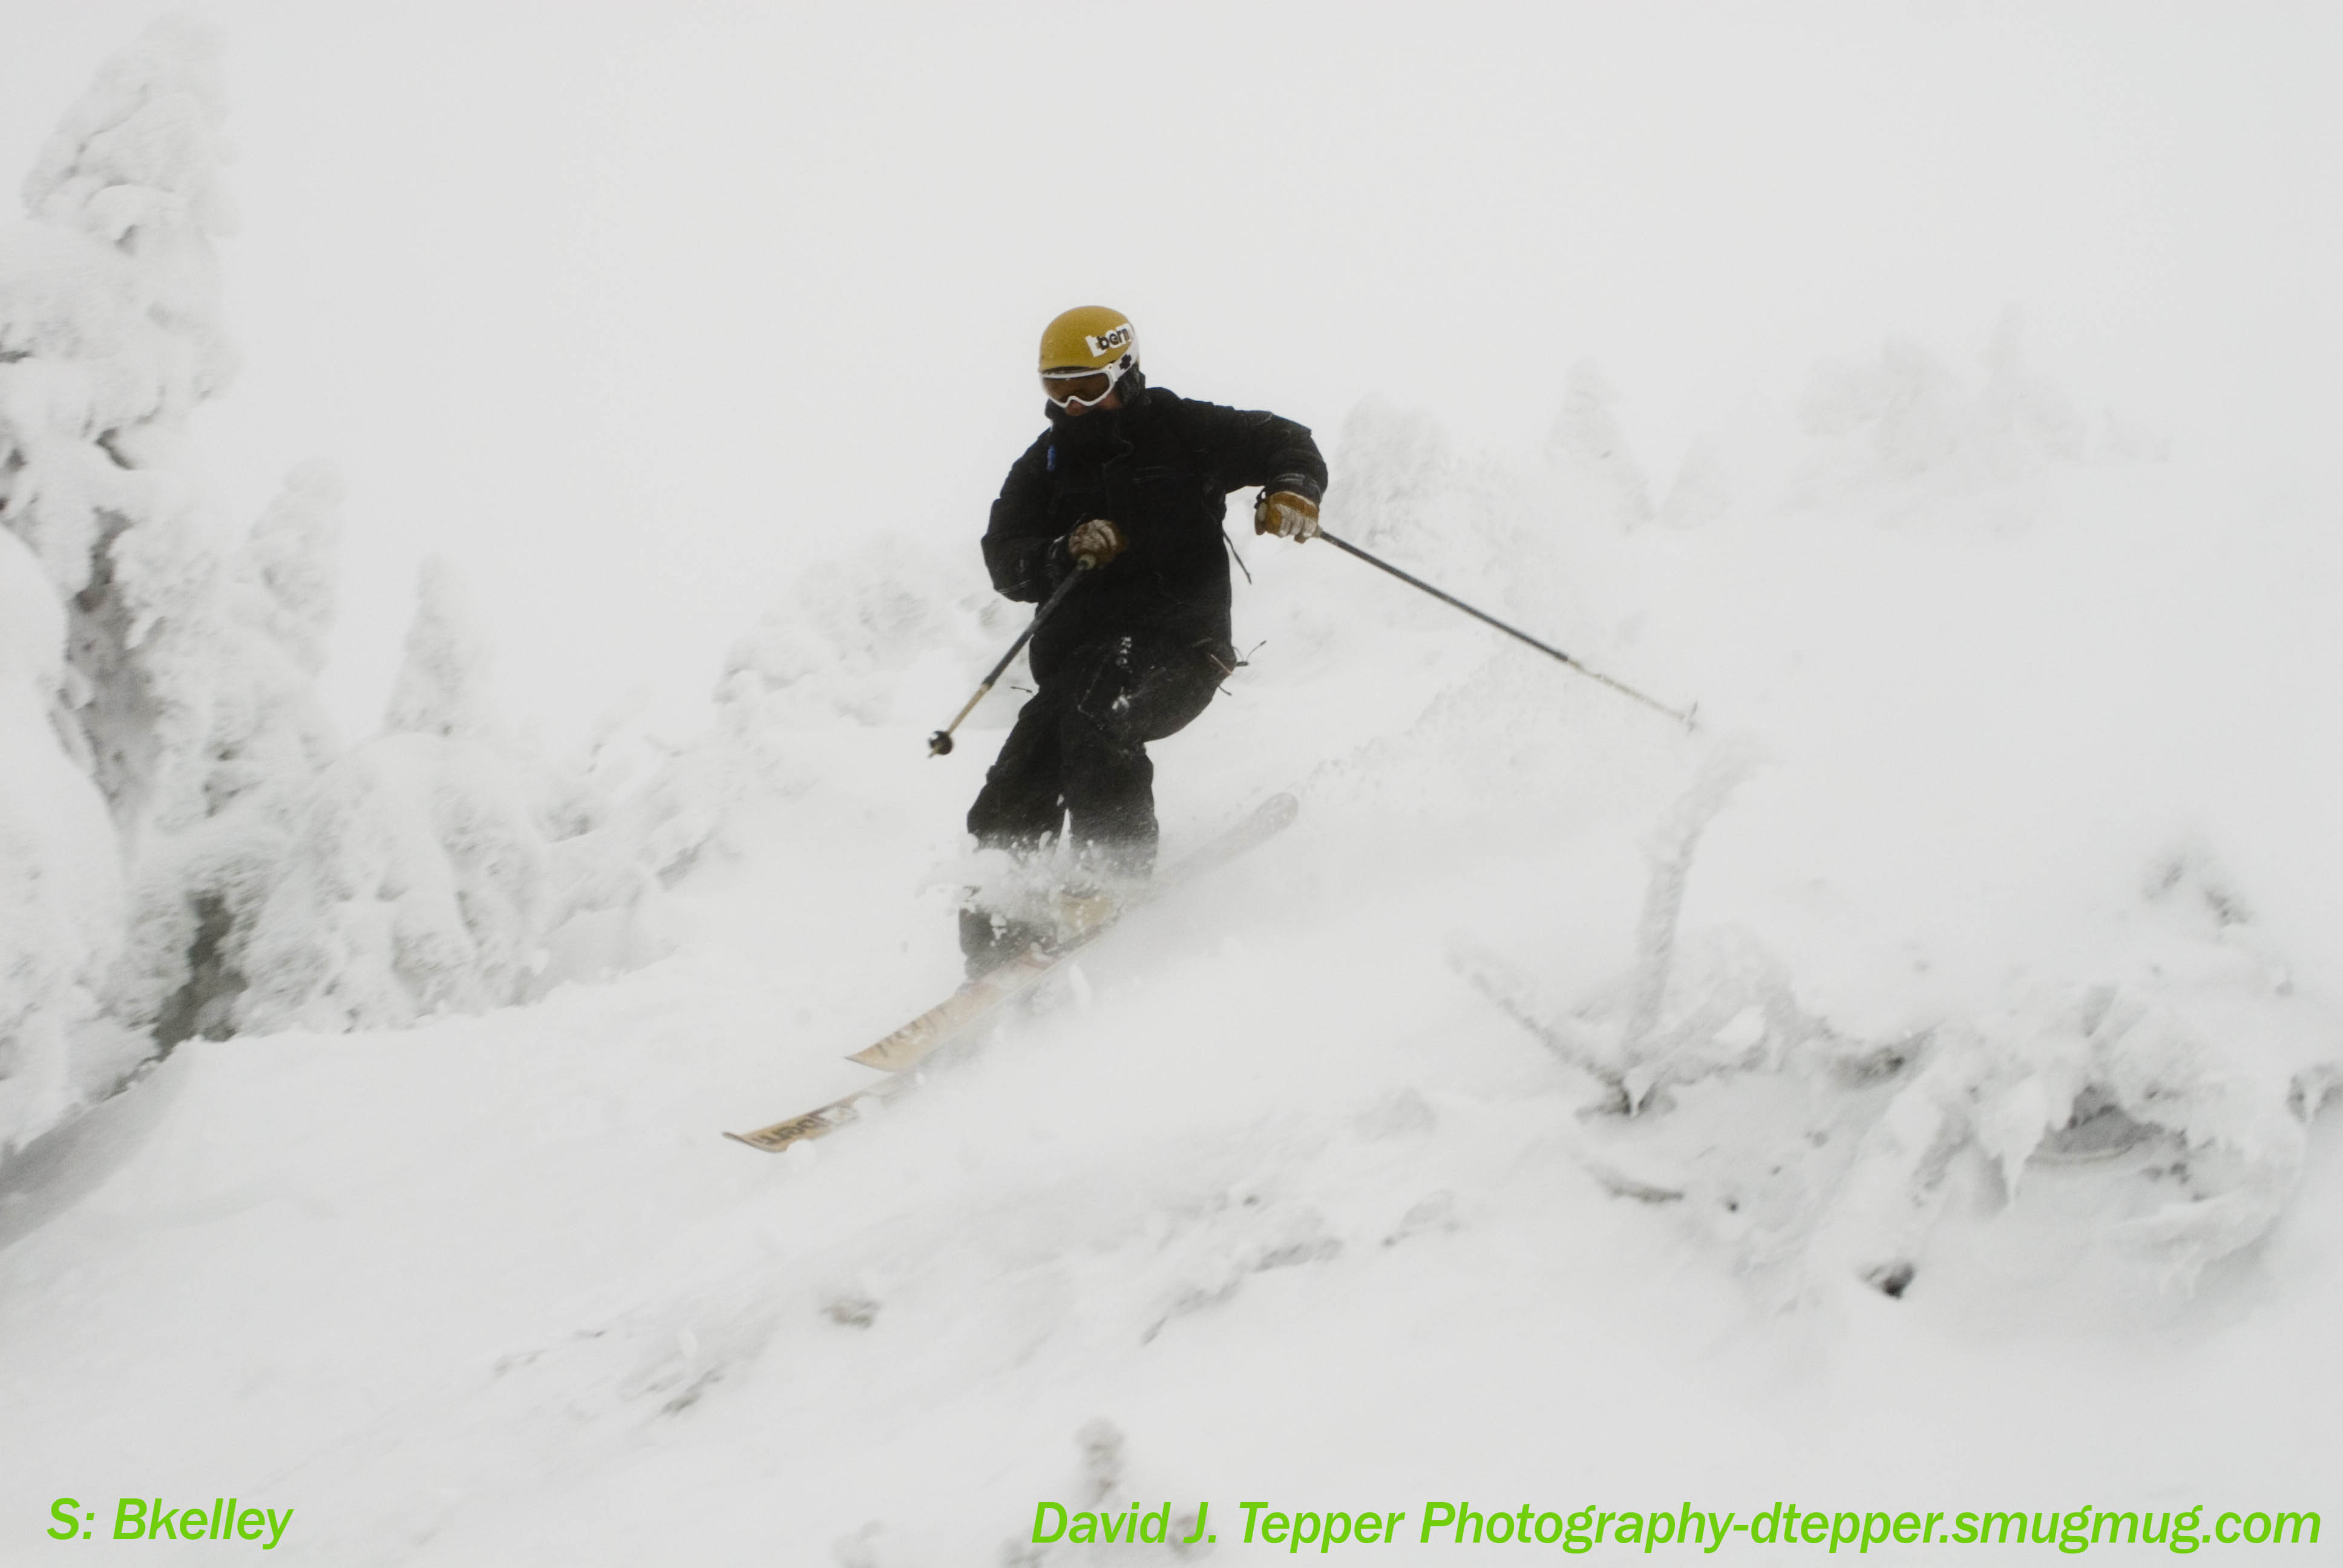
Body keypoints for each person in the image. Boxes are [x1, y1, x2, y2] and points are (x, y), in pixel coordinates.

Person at [960, 305, 1327, 975]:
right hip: (1073, 672)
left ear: (1124, 372)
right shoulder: (1041, 468)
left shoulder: (1184, 432)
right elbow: (1003, 559)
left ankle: (1111, 873)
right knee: (1013, 786)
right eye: (1057, 390)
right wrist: (1058, 551)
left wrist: (1292, 489)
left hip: (1180, 652)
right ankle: (992, 948)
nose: (1072, 406)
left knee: (1100, 699)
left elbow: (1284, 439)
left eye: (1088, 388)